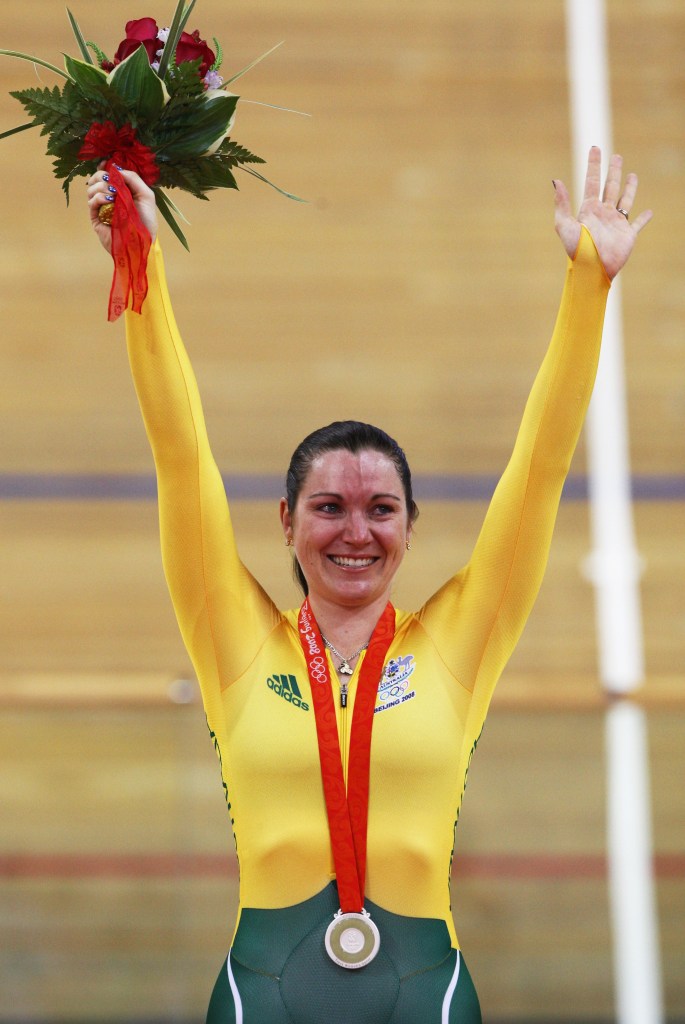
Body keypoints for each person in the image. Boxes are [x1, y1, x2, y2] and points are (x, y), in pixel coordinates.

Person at [87, 147, 650, 1023]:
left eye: (381, 508)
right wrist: (140, 262)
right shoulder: (233, 636)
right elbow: (178, 452)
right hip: (261, 996)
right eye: (329, 507)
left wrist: (588, 289)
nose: (356, 532)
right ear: (284, 521)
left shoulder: (460, 640)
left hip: (421, 995)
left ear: (411, 525)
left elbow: (538, 471)